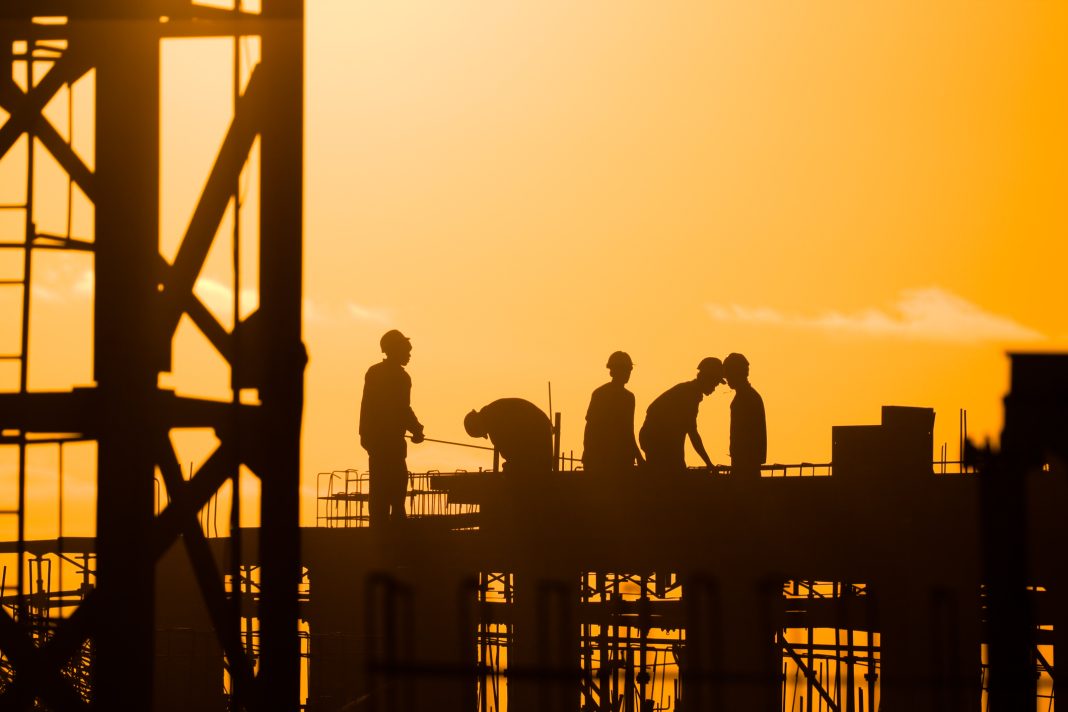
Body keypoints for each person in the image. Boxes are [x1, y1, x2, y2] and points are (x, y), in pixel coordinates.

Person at [359, 329, 424, 526]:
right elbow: (401, 408)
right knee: (396, 481)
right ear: (396, 350)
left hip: (375, 438)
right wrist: (416, 429)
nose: (410, 355)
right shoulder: (400, 377)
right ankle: (395, 523)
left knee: (380, 483)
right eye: (406, 351)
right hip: (388, 440)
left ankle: (380, 524)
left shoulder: (375, 372)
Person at [638, 358, 725, 473]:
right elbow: (693, 434)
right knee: (672, 474)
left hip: (657, 439)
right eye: (715, 383)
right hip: (656, 440)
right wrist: (708, 463)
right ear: (707, 378)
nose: (715, 387)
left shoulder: (689, 391)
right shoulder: (689, 395)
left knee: (676, 471)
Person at [582, 351, 644, 473]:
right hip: (611, 461)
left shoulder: (601, 394)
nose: (628, 374)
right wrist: (639, 457)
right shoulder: (625, 398)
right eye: (626, 370)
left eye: (629, 370)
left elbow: (627, 431)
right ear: (614, 371)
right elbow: (592, 428)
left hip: (612, 460)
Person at [464, 399, 553, 474]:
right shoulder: (491, 412)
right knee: (540, 468)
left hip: (537, 429)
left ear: (479, 426)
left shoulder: (492, 419)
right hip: (540, 427)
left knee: (537, 470)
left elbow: (510, 454)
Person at [724, 352, 766, 479]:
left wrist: (741, 462)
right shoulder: (748, 396)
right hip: (745, 462)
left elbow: (745, 435)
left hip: (745, 464)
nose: (727, 379)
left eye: (729, 375)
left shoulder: (746, 398)